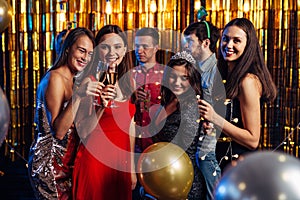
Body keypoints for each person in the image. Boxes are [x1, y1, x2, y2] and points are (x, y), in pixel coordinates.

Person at [28, 27, 99, 199]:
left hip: (67, 161)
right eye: (81, 50)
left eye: (90, 54)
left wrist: (101, 105)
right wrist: (80, 95)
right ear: (68, 48)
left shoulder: (74, 79)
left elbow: (80, 127)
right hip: (49, 165)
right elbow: (58, 131)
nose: (85, 58)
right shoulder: (55, 78)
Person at [198, 18, 277, 172]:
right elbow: (232, 125)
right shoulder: (227, 76)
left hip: (239, 171)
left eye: (237, 41)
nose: (229, 45)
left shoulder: (247, 81)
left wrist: (215, 118)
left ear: (248, 46)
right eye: (226, 39)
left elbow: (253, 140)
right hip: (221, 165)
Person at [72, 24, 137, 200]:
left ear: (124, 50)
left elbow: (130, 126)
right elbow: (83, 132)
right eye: (105, 47)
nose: (111, 52)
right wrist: (102, 105)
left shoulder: (127, 82)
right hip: (95, 164)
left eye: (117, 46)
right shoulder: (90, 81)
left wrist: (131, 167)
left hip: (119, 164)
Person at [151, 51, 206, 199]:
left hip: (184, 180)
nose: (177, 82)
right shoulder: (169, 100)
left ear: (192, 80)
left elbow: (185, 149)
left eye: (184, 78)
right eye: (173, 76)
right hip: (164, 177)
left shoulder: (191, 108)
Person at [183, 20, 225, 199]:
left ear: (205, 43)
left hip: (209, 146)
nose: (186, 47)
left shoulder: (216, 70)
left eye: (190, 42)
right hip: (194, 142)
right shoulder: (196, 69)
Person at [131, 27, 165, 200]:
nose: (140, 50)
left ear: (156, 47)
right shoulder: (129, 75)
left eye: (145, 46)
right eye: (137, 46)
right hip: (133, 145)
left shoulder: (167, 74)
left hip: (159, 144)